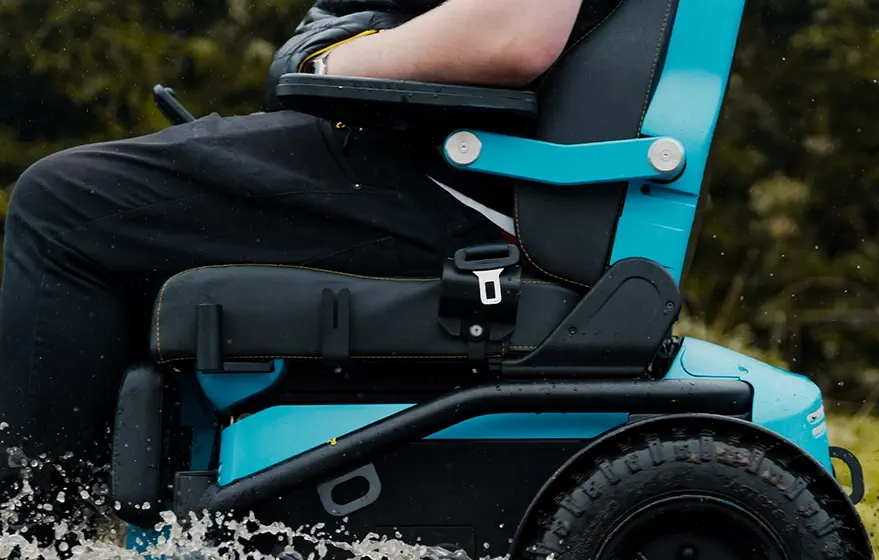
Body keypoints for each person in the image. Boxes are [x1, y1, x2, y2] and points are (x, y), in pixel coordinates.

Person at [0, 0, 617, 501]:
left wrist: (330, 62)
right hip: (434, 168)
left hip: (448, 184)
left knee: (63, 209)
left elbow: (512, 33)